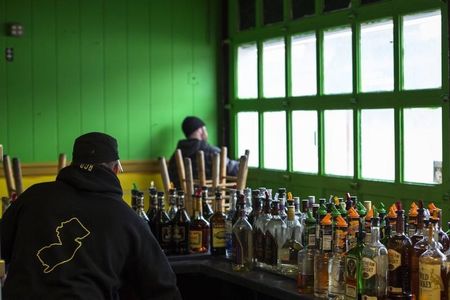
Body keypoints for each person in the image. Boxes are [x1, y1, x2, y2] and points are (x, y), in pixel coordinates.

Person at [1, 132, 181, 300]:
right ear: (116, 169)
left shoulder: (33, 196)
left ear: (72, 164)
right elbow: (163, 287)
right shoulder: (127, 218)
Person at [168, 116, 239, 188]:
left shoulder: (175, 157)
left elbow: (170, 177)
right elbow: (235, 171)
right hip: (211, 198)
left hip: (182, 198)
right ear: (200, 130)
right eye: (205, 129)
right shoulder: (213, 152)